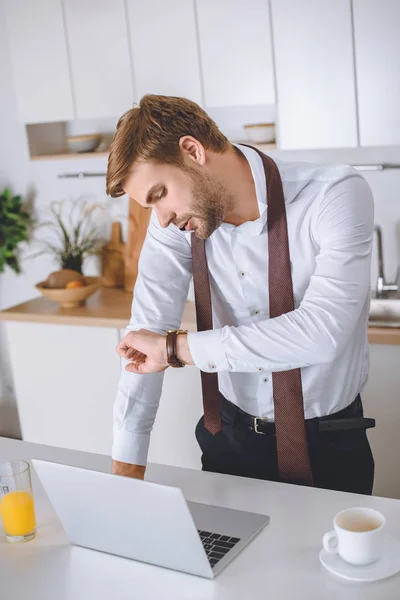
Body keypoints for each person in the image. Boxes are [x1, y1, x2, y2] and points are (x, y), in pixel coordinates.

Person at [106, 94, 375, 494]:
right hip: (228, 443)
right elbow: (145, 336)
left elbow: (323, 333)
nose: (160, 219)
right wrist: (127, 467)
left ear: (192, 151)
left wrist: (178, 349)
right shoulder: (173, 227)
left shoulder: (333, 194)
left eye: (159, 194)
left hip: (329, 445)